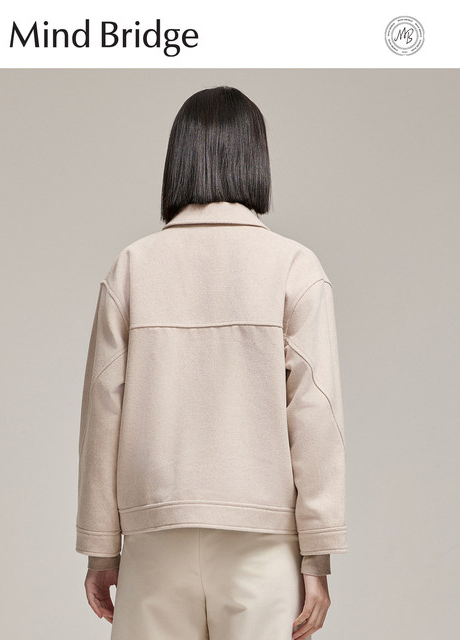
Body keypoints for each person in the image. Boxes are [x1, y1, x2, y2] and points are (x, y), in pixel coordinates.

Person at [75, 86, 347, 640]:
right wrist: (316, 553)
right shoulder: (293, 267)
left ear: (177, 160)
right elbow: (315, 415)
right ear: (256, 160)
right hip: (263, 541)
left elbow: (103, 413)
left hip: (154, 536)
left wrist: (102, 547)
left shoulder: (132, 266)